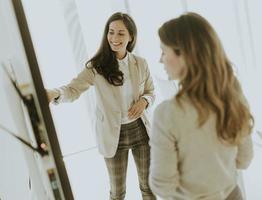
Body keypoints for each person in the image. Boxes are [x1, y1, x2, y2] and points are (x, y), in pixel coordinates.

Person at [47, 12, 156, 200]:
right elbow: (73, 89)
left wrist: (144, 101)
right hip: (113, 135)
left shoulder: (140, 63)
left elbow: (151, 91)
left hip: (140, 130)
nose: (114, 38)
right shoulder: (96, 67)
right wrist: (56, 93)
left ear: (131, 37)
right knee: (117, 193)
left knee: (148, 187)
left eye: (121, 33)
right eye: (111, 32)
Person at [149, 12, 254, 200]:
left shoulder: (167, 114)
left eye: (164, 52)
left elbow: (162, 184)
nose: (160, 59)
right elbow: (244, 159)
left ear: (185, 55)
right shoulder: (232, 94)